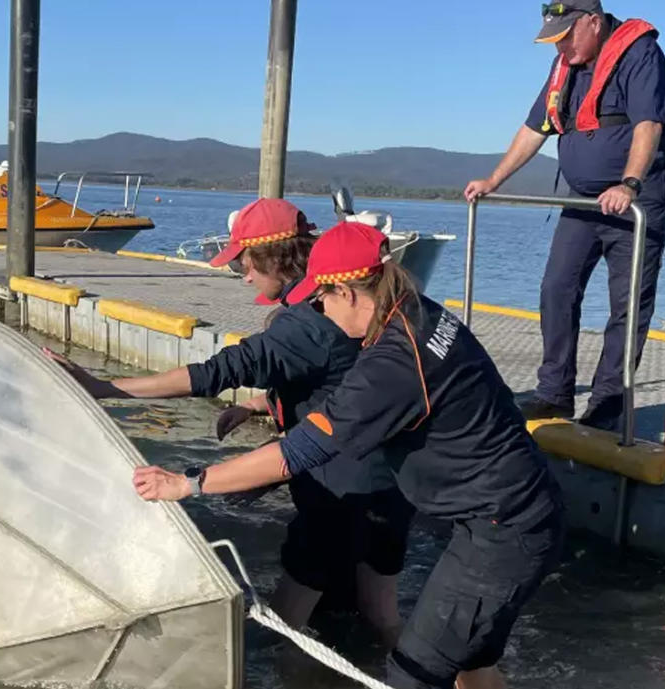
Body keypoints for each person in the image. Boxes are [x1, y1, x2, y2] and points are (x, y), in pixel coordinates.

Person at [133, 221, 565, 689]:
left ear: (348, 292)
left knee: (413, 672)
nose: (321, 311)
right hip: (519, 508)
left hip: (499, 530)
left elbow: (295, 453)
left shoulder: (393, 364)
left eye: (321, 300)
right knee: (469, 663)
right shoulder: (421, 312)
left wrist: (190, 482)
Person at [46, 198, 412, 647]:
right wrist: (259, 406)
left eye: (245, 264)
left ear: (271, 257)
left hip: (337, 493)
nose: (244, 276)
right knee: (379, 615)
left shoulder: (304, 324)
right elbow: (339, 382)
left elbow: (213, 373)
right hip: (391, 484)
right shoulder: (353, 305)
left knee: (286, 626)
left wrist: (107, 388)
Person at [465, 0, 665, 431]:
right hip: (582, 201)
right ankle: (554, 393)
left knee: (628, 305)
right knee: (556, 289)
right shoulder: (565, 66)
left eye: (565, 36)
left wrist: (629, 184)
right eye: (554, 39)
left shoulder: (639, 52)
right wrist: (494, 180)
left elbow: (648, 125)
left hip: (635, 200)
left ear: (593, 23)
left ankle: (607, 404)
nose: (559, 47)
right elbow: (533, 129)